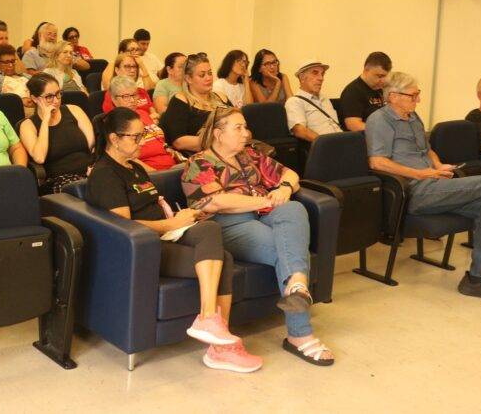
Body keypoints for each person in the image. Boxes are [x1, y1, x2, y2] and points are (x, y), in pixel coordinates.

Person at [88, 107, 260, 372]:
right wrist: (171, 224)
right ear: (114, 139)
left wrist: (183, 217)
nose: (143, 142)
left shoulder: (135, 168)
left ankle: (212, 327)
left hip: (167, 234)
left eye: (144, 134)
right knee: (222, 258)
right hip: (145, 248)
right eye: (136, 137)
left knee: (210, 231)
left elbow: (155, 208)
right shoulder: (104, 174)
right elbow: (121, 226)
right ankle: (218, 344)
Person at [181, 107, 332, 366]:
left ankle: (297, 284)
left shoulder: (250, 155)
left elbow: (290, 175)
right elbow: (217, 202)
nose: (246, 133)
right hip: (230, 224)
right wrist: (266, 200)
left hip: (266, 214)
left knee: (294, 207)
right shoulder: (199, 163)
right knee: (290, 252)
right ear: (218, 133)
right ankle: (300, 334)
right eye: (238, 128)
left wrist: (284, 188)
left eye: (246, 127)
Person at [366, 71, 481, 305]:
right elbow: (377, 162)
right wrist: (421, 173)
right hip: (413, 191)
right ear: (393, 96)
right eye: (413, 95)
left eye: (418, 94)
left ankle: (477, 279)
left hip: (434, 184)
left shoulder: (413, 117)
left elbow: (427, 149)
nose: (418, 100)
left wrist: (439, 165)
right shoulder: (379, 120)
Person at [20, 73, 95, 191]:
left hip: (88, 171)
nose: (56, 101)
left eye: (58, 94)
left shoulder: (74, 110)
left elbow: (91, 144)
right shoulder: (28, 125)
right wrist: (46, 120)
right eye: (49, 97)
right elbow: (39, 157)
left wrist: (95, 167)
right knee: (82, 189)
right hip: (59, 179)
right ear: (35, 98)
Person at [159, 53, 231, 154]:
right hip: (201, 156)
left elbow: (243, 127)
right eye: (202, 75)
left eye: (210, 73)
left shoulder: (221, 97)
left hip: (230, 151)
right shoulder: (181, 100)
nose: (208, 78)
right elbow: (178, 141)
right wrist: (221, 140)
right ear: (188, 79)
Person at [106, 76, 176, 170]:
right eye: (126, 96)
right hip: (151, 172)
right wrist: (154, 173)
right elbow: (126, 158)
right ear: (114, 99)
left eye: (134, 95)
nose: (132, 100)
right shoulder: (114, 122)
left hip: (172, 165)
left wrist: (168, 149)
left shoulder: (143, 113)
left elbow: (160, 141)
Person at [284, 60, 342, 142]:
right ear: (302, 77)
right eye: (315, 73)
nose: (321, 78)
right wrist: (328, 144)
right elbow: (300, 131)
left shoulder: (325, 99)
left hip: (343, 142)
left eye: (322, 74)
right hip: (325, 146)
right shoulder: (294, 102)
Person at [339, 51, 392, 131]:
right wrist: (385, 130)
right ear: (366, 70)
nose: (383, 80)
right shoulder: (353, 92)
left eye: (386, 76)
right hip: (365, 137)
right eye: (379, 76)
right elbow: (353, 125)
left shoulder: (381, 88)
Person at [0, 44, 33, 114]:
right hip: (11, 112)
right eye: (6, 62)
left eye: (12, 61)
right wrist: (19, 101)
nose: (10, 65)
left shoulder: (26, 76)